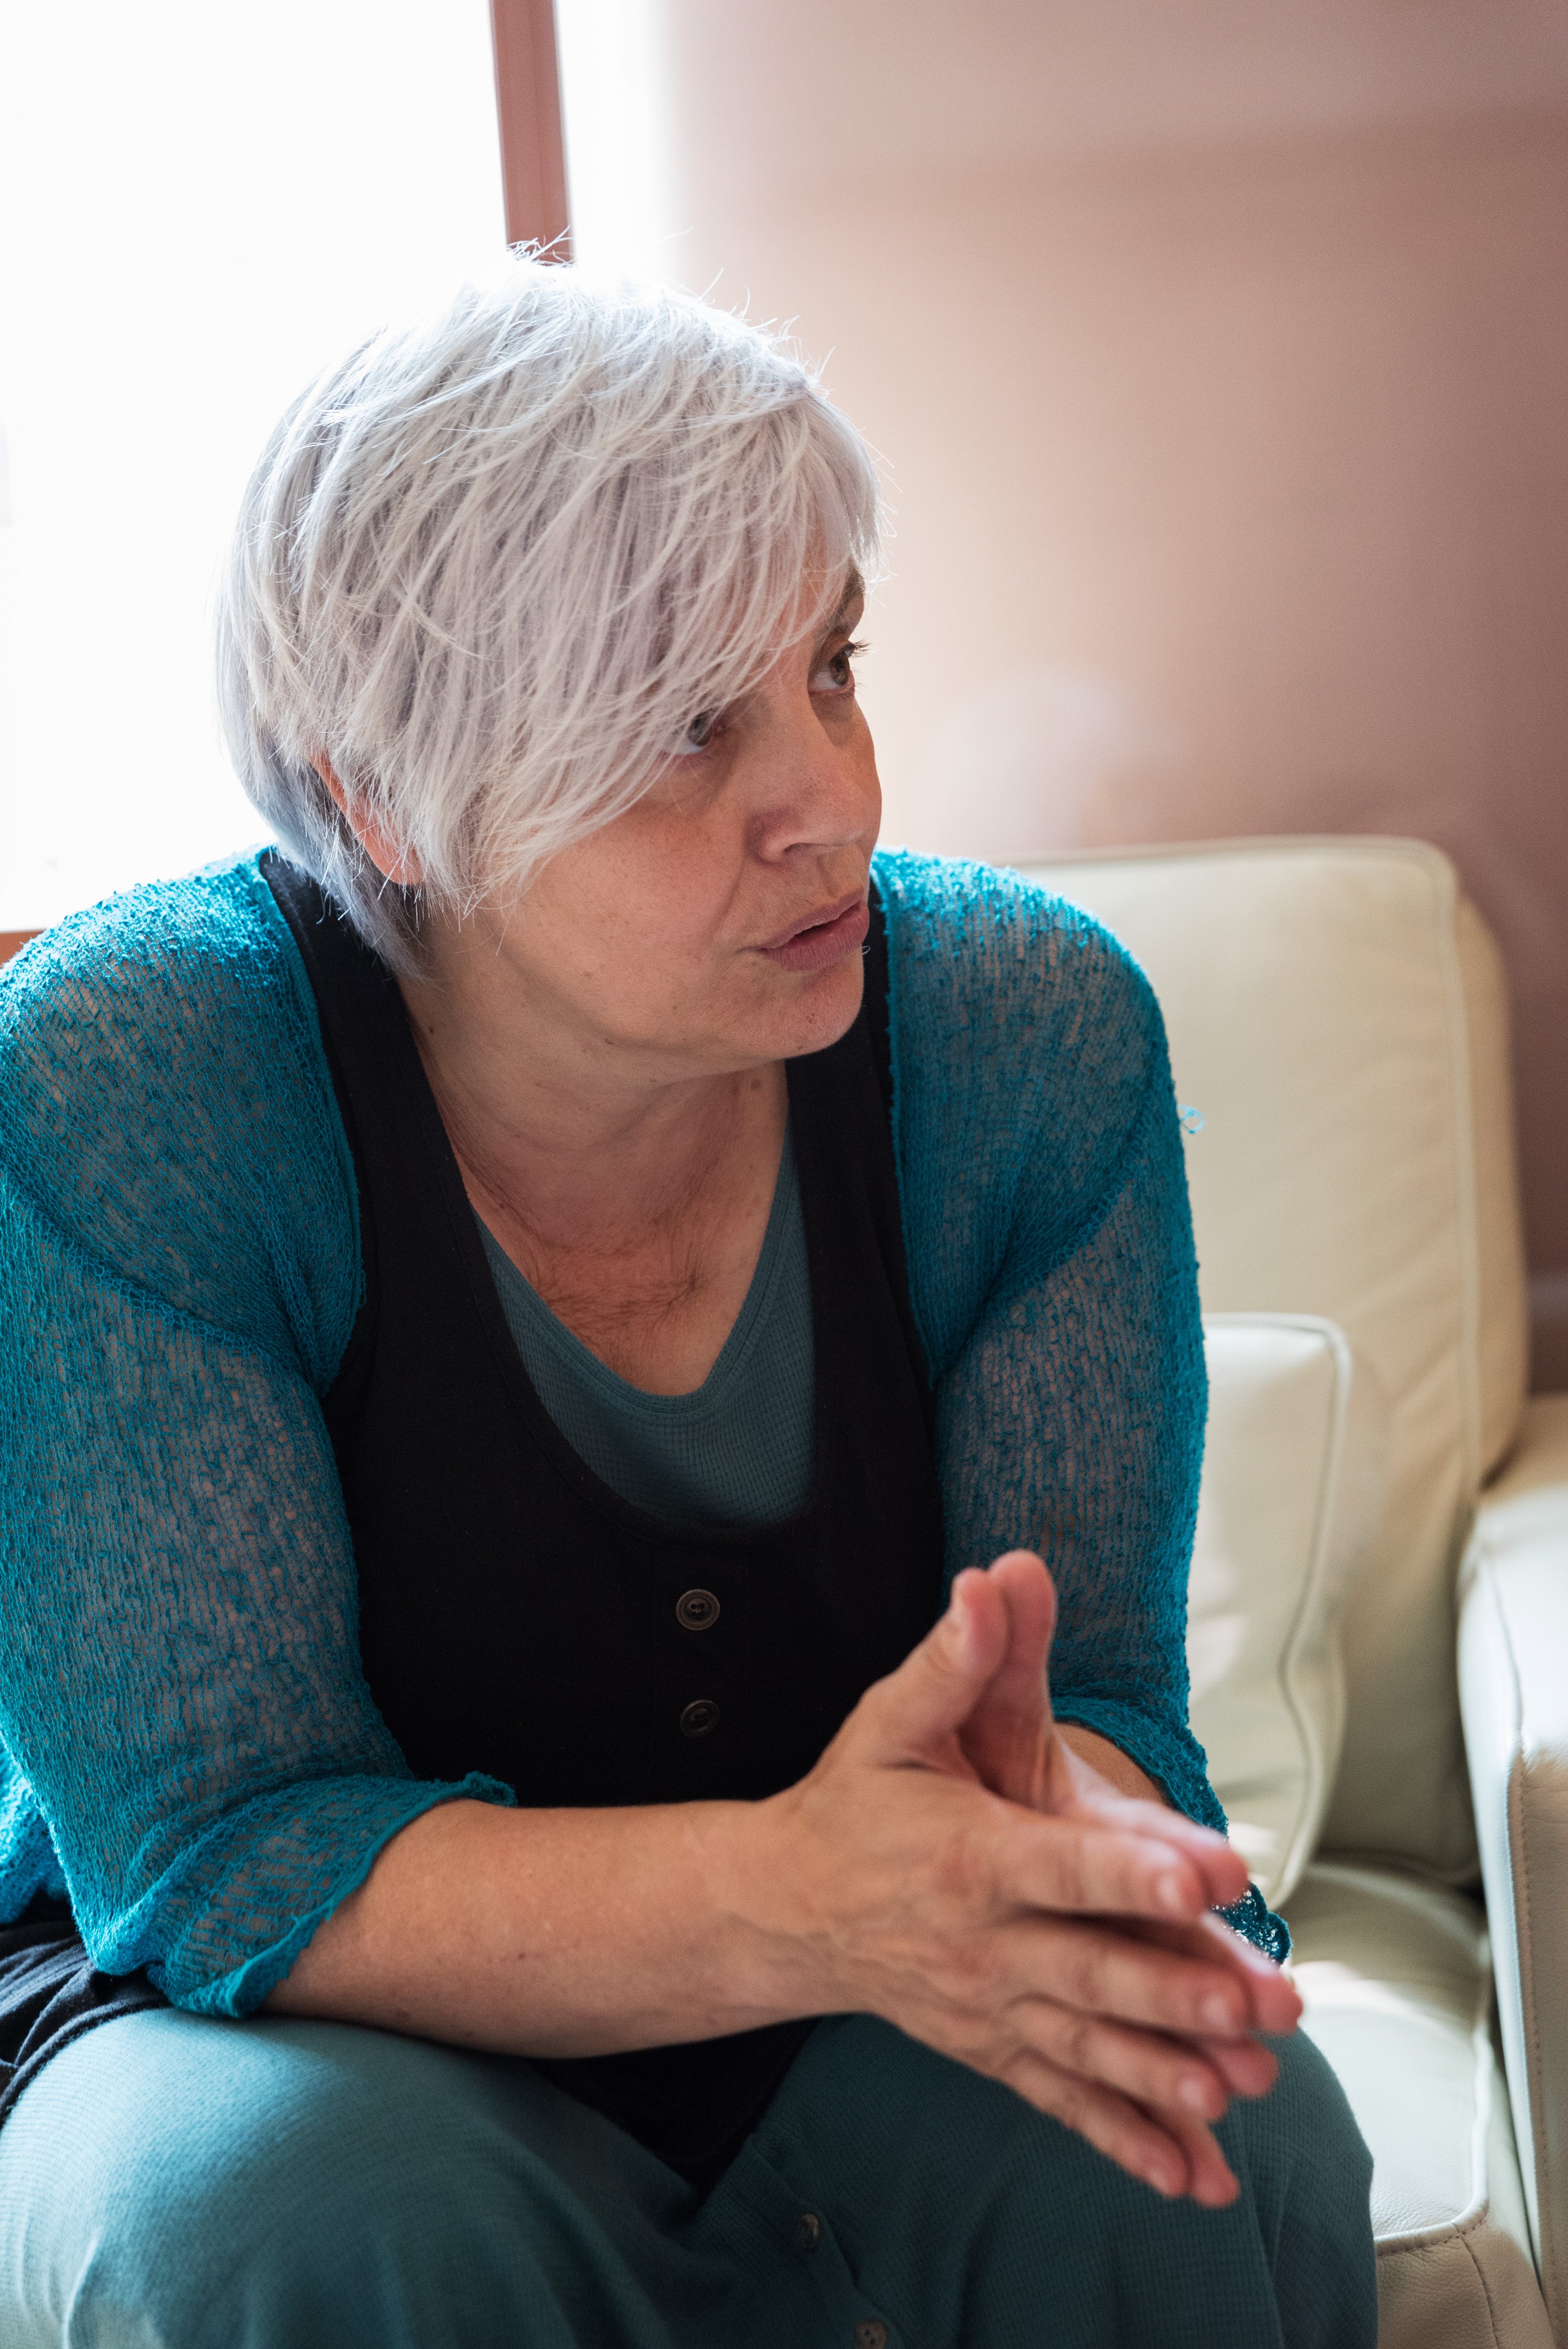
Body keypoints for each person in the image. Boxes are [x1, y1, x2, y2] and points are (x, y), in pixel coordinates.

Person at [0, 260, 1374, 2347]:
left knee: (1201, 2128)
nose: (826, 791)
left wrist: (1070, 1837)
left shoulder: (1025, 1030)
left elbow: (1094, 1693)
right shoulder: (130, 1076)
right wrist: (806, 1895)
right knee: (275, 2213)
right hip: (276, 2023)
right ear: (384, 794)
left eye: (830, 663)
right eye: (680, 725)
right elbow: (225, 1850)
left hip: (878, 1969)